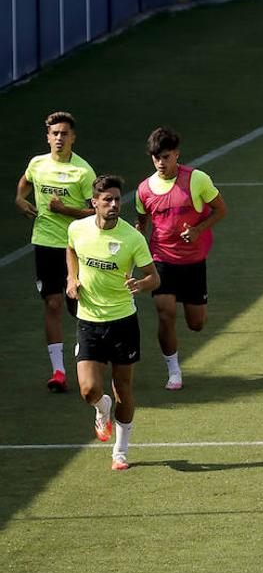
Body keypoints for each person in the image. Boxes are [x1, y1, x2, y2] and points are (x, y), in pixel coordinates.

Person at [65, 175, 160, 470]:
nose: (114, 204)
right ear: (94, 203)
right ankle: (101, 408)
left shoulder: (132, 238)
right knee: (88, 390)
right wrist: (72, 277)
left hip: (123, 322)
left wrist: (140, 285)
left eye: (118, 199)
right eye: (107, 200)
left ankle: (120, 451)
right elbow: (70, 249)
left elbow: (154, 277)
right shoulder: (77, 229)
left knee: (124, 389)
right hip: (89, 320)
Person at [135, 127, 228, 391]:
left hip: (193, 261)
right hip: (162, 258)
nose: (161, 163)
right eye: (156, 158)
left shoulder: (196, 179)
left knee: (196, 323)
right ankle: (173, 371)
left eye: (165, 157)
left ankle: (180, 351)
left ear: (176, 154)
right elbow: (142, 223)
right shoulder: (144, 189)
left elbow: (221, 209)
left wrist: (198, 229)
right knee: (165, 314)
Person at [15, 111, 95, 392]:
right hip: (46, 244)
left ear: (73, 137)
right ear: (48, 137)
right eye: (55, 133)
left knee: (78, 305)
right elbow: (24, 183)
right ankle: (58, 371)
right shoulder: (37, 164)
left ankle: (87, 351)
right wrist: (19, 200)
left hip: (76, 246)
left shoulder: (83, 171)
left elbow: (95, 211)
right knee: (52, 304)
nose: (59, 138)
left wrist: (66, 210)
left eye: (64, 133)